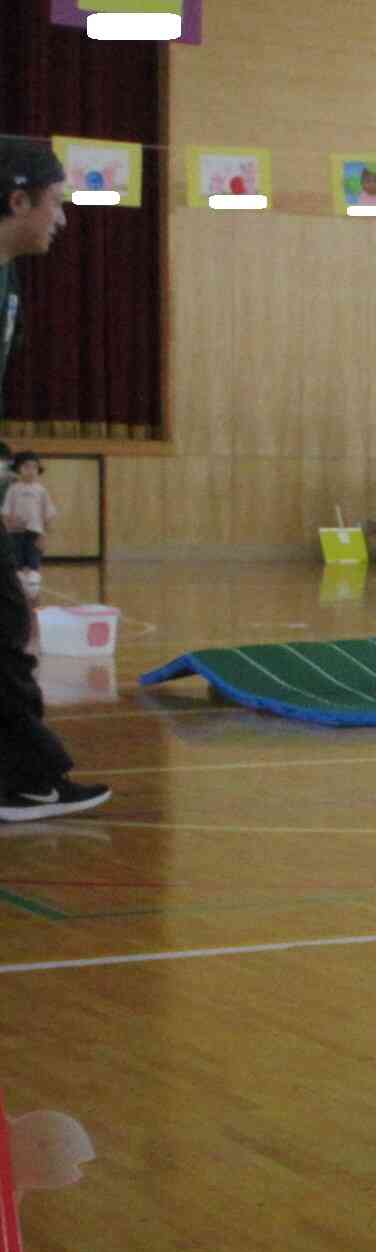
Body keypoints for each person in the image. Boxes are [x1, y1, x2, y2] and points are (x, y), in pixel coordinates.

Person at [0, 138, 109, 823]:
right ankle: (26, 778)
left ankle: (26, 775)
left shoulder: (10, 278)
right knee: (8, 620)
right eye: (55, 203)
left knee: (9, 621)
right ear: (17, 201)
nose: (62, 219)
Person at [2, 451, 54, 588]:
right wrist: (9, 527)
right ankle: (18, 580)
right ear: (18, 469)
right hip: (15, 532)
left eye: (34, 467)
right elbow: (6, 513)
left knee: (33, 558)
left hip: (35, 532)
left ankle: (33, 582)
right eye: (26, 467)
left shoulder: (41, 491)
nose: (31, 471)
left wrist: (44, 534)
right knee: (17, 559)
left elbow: (48, 513)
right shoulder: (13, 489)